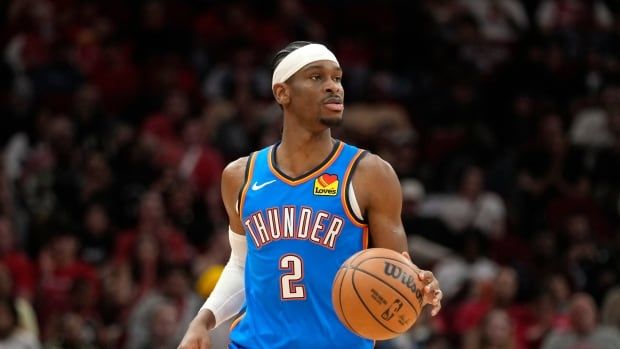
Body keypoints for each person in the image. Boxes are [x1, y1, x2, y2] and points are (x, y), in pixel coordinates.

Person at [177, 41, 443, 349]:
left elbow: (397, 273)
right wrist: (203, 320)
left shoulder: (369, 173)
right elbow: (241, 263)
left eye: (337, 78)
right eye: (317, 77)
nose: (334, 87)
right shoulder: (241, 176)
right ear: (282, 93)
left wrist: (417, 287)